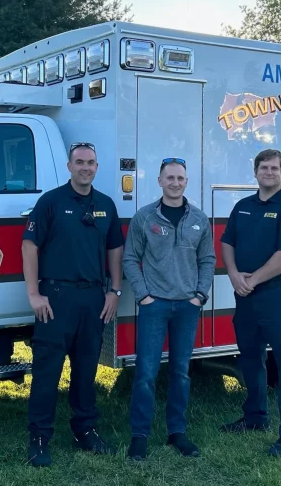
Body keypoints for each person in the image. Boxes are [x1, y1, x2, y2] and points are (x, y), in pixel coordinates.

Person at [22, 141, 124, 467]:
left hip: (94, 298)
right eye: (79, 162)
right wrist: (34, 295)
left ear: (97, 167)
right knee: (46, 372)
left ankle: (86, 431)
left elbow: (115, 252)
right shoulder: (50, 202)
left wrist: (115, 291)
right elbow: (29, 245)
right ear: (69, 167)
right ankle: (39, 438)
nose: (85, 167)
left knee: (86, 370)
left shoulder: (106, 205)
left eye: (91, 162)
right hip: (56, 298)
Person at [122, 158, 216, 461]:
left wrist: (199, 295)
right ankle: (140, 436)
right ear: (160, 181)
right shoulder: (145, 217)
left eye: (180, 178)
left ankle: (177, 432)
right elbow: (129, 258)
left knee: (180, 372)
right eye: (170, 178)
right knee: (146, 373)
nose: (175, 183)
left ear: (186, 182)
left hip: (187, 307)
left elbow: (208, 260)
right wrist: (144, 296)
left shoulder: (199, 219)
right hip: (155, 306)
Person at [219, 148, 281, 457]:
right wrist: (233, 274)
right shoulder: (243, 207)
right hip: (245, 297)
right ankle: (255, 417)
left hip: (277, 296)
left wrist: (251, 280)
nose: (269, 173)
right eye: (264, 168)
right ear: (255, 172)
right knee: (250, 359)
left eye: (274, 168)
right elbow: (227, 242)